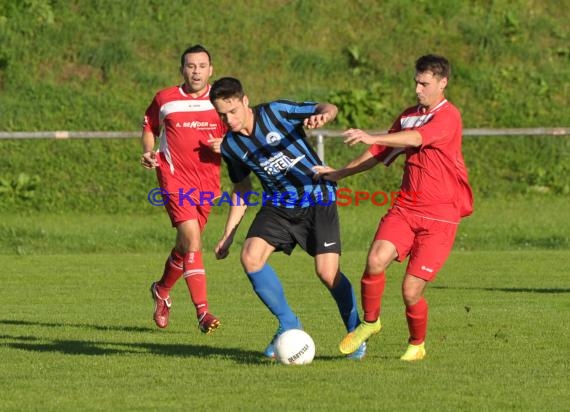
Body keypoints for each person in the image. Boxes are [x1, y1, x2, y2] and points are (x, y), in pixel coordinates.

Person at [314, 54, 473, 361]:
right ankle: (370, 323)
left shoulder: (448, 115)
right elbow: (380, 151)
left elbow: (416, 138)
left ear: (443, 83)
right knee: (375, 260)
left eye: (424, 83)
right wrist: (340, 173)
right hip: (406, 208)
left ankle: (417, 344)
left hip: (440, 217)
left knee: (411, 290)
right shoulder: (409, 115)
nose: (418, 89)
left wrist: (373, 134)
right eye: (416, 81)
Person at [208, 77, 366, 359]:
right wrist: (229, 234)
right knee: (250, 257)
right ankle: (288, 323)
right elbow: (243, 188)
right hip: (279, 203)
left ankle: (356, 333)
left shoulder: (275, 112)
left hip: (317, 195)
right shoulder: (231, 146)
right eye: (222, 114)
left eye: (232, 111)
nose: (228, 119)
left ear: (245, 101)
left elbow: (327, 106)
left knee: (327, 273)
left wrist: (326, 115)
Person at [140, 44, 225, 334]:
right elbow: (150, 126)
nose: (196, 71)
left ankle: (161, 290)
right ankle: (203, 313)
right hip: (174, 179)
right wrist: (150, 152)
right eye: (190, 66)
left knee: (185, 246)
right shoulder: (165, 98)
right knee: (192, 240)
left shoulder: (221, 100)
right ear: (182, 69)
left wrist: (226, 145)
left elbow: (239, 134)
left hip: (207, 185)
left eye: (202, 66)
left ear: (211, 70)